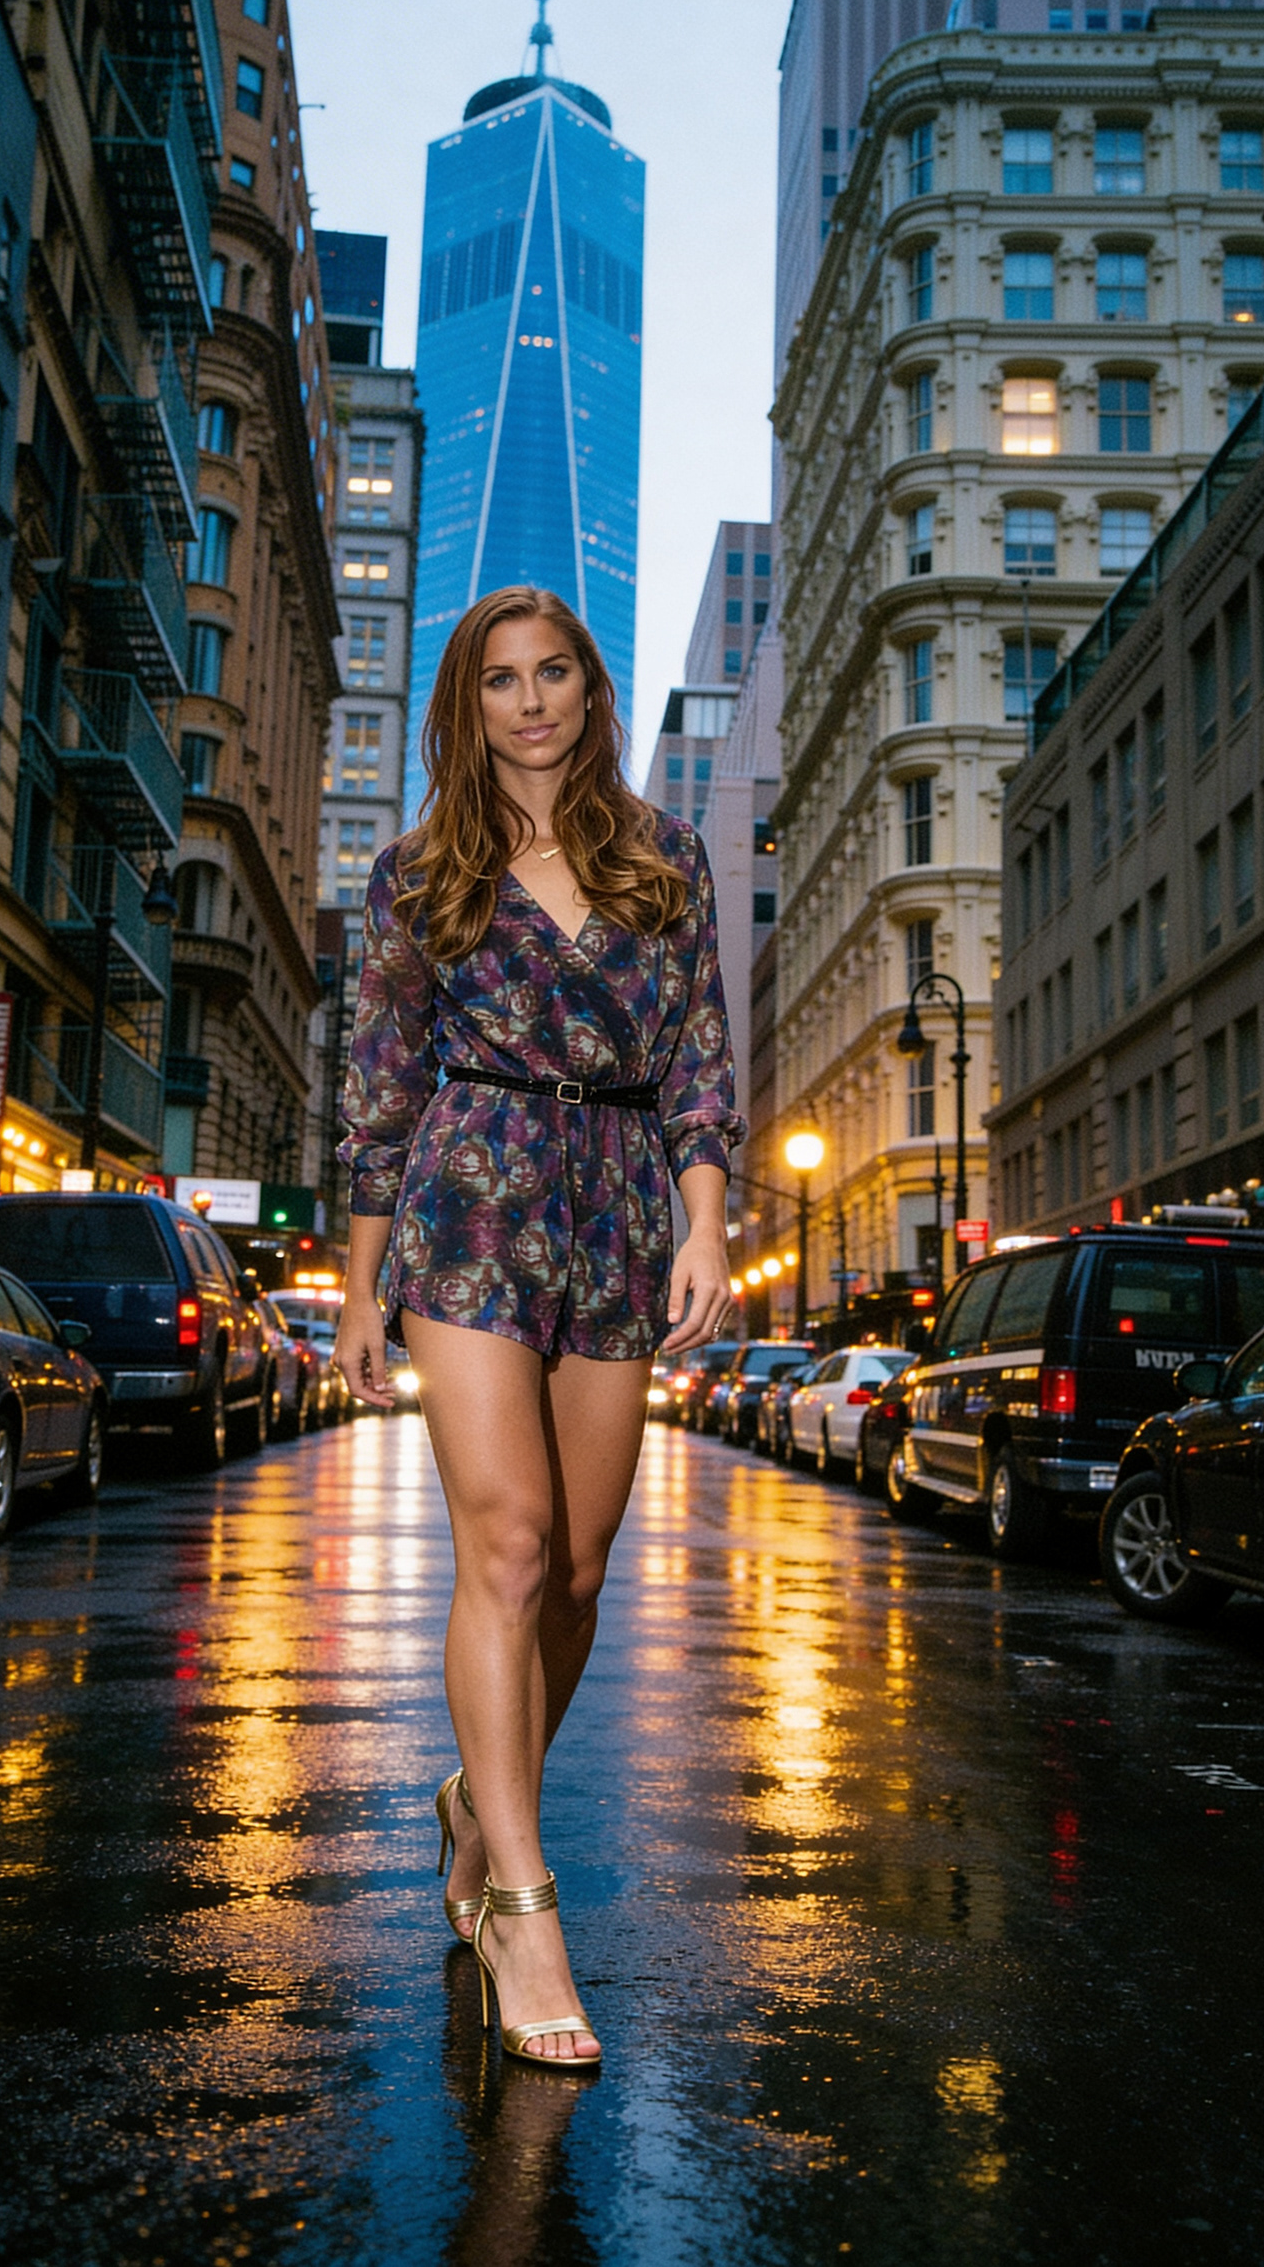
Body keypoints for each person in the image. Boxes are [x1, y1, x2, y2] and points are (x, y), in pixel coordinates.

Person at [335, 583, 743, 2071]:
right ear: (470, 703)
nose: (529, 700)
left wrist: (706, 1220)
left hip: (626, 1202)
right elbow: (379, 1089)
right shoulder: (415, 875)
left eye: (553, 671)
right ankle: (519, 1899)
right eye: (501, 678)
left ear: (588, 689)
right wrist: (360, 1288)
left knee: (575, 1566)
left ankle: (471, 1797)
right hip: (475, 1197)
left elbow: (701, 1059)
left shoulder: (667, 858)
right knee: (504, 1545)